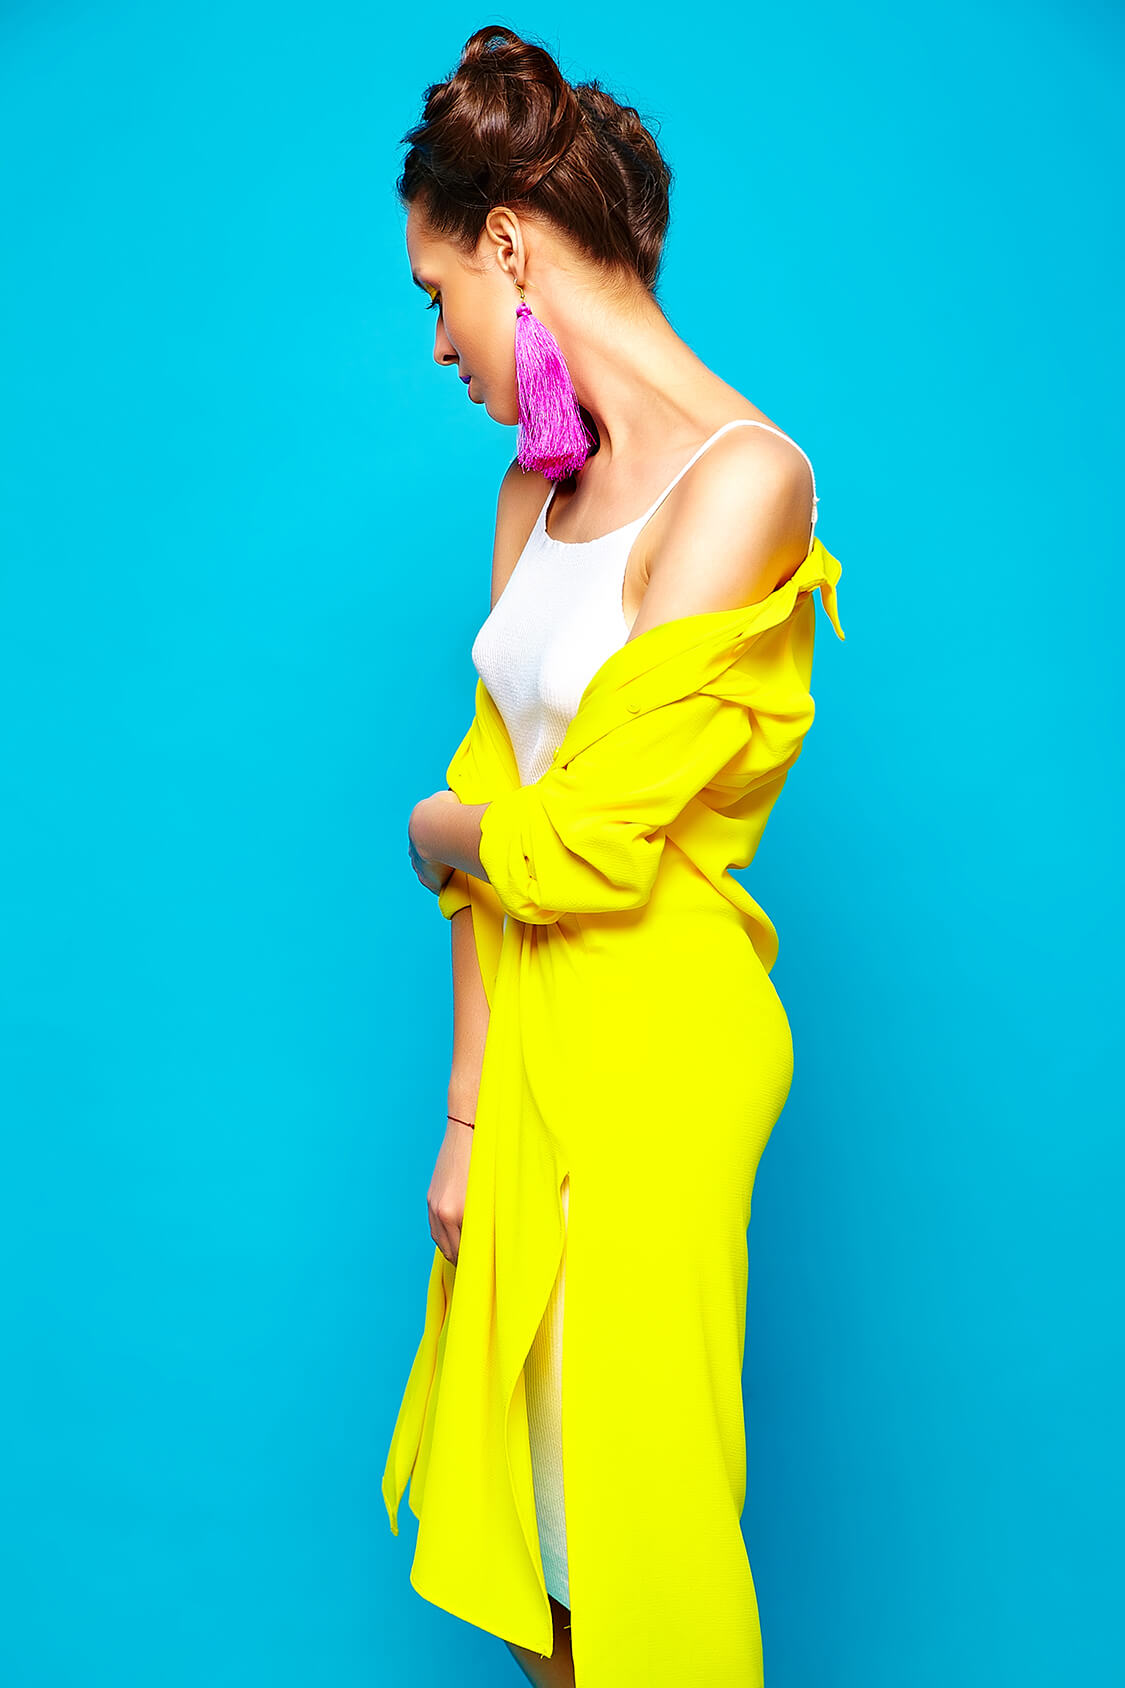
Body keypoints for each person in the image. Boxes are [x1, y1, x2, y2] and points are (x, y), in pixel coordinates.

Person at [382, 25, 845, 1688]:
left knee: (638, 1535)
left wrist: (437, 834)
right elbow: (504, 816)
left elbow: (561, 849)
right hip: (527, 1082)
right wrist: (462, 1112)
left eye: (435, 294)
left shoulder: (747, 486)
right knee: (537, 1538)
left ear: (505, 247)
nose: (440, 346)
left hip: (657, 1061)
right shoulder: (534, 490)